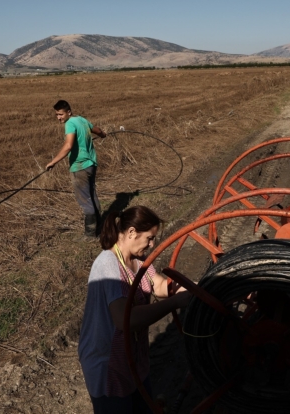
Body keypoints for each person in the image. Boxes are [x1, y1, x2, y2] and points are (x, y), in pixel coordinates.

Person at [78, 206, 191, 413]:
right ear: (131, 232)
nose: (151, 244)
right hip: (107, 363)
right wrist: (174, 303)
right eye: (149, 238)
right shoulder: (108, 264)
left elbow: (158, 286)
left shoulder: (138, 263)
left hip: (133, 359)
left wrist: (195, 288)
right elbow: (123, 320)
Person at [46, 100, 107, 237]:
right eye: (56, 115)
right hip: (91, 164)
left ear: (68, 112)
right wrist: (102, 134)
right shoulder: (80, 119)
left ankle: (90, 234)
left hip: (79, 167)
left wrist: (53, 162)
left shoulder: (70, 124)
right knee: (92, 195)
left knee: (85, 200)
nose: (59, 118)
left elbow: (68, 146)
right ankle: (100, 226)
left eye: (61, 114)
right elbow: (95, 129)